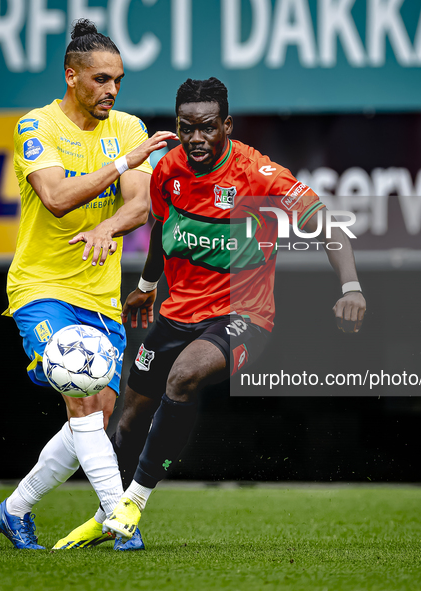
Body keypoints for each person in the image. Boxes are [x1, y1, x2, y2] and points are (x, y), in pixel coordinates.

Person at [57, 77, 367, 549]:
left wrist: (351, 286)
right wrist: (145, 286)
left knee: (183, 377)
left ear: (227, 124)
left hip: (243, 317)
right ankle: (107, 513)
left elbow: (329, 225)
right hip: (175, 315)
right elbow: (161, 228)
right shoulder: (168, 171)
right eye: (187, 128)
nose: (196, 138)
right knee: (128, 419)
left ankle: (133, 505)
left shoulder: (258, 176)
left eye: (207, 127)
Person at [0, 18, 176, 551]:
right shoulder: (36, 126)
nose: (111, 90)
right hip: (41, 286)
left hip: (100, 296)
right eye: (100, 79)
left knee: (95, 414)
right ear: (72, 76)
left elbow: (140, 205)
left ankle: (15, 508)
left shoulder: (130, 127)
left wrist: (107, 225)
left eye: (118, 79)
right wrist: (120, 165)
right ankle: (121, 521)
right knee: (81, 397)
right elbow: (54, 196)